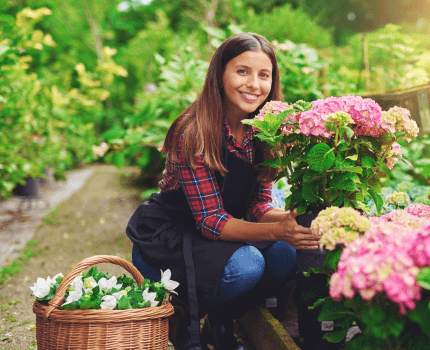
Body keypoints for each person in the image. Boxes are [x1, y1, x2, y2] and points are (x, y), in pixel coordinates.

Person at [126, 33, 321, 350]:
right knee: (248, 265)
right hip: (169, 241)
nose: (253, 85)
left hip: (215, 237)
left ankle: (222, 319)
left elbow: (258, 205)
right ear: (219, 75)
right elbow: (210, 221)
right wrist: (277, 231)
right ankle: (183, 315)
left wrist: (291, 222)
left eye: (263, 75)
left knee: (286, 255)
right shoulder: (194, 131)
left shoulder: (264, 130)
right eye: (242, 71)